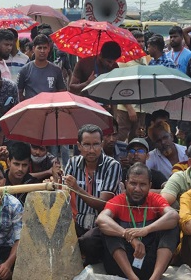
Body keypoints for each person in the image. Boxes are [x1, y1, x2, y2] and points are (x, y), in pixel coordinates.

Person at [96, 163, 179, 280]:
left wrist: (145, 230)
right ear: (126, 184)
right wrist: (129, 237)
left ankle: (154, 278)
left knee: (172, 228)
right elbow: (101, 219)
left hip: (150, 263)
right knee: (108, 230)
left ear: (150, 185)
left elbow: (173, 216)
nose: (137, 189)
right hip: (122, 267)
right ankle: (133, 278)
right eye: (133, 183)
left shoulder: (155, 199)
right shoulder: (118, 200)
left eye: (143, 185)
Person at [64, 124, 122, 265]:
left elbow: (103, 205)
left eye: (96, 144)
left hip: (104, 224)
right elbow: (63, 195)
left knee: (88, 241)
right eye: (87, 145)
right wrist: (54, 182)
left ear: (102, 144)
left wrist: (77, 188)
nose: (91, 150)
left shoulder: (112, 165)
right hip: (79, 222)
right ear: (79, 146)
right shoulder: (72, 163)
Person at [17, 34, 65, 101]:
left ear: (48, 49)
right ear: (34, 49)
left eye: (45, 48)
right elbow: (19, 93)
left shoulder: (57, 70)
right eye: (39, 48)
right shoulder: (24, 70)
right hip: (32, 109)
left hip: (51, 109)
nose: (42, 51)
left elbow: (62, 93)